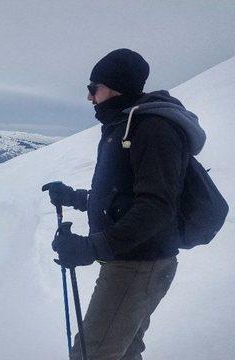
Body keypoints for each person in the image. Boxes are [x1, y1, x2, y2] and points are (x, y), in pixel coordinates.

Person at [43, 48, 205, 360]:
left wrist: (92, 247)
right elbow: (122, 196)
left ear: (115, 88)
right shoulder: (123, 125)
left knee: (93, 355)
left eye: (94, 88)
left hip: (139, 264)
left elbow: (156, 207)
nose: (89, 97)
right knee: (124, 350)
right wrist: (74, 197)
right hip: (132, 262)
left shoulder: (153, 128)